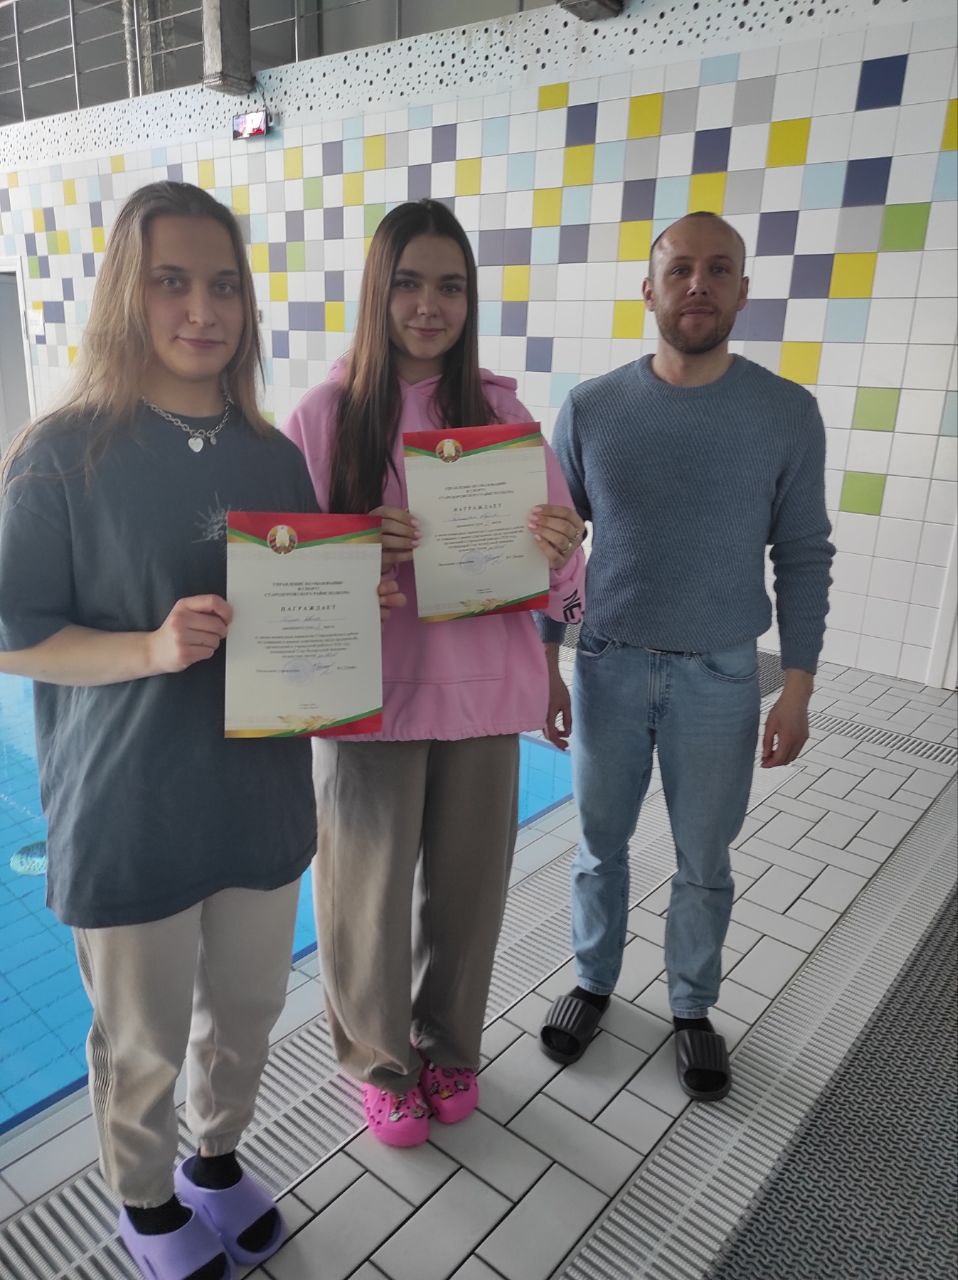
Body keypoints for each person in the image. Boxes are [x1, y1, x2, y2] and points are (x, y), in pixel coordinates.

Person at [0, 182, 400, 1280]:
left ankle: (216, 1161)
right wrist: (147, 648)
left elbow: (292, 612)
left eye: (223, 285)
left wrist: (346, 606)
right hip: (129, 804)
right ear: (126, 295)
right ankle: (144, 1198)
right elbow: (14, 633)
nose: (202, 309)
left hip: (258, 798)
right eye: (171, 282)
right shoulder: (61, 454)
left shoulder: (271, 455)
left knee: (249, 1008)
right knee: (141, 1037)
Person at [283, 199, 586, 1147]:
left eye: (450, 287)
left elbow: (562, 577)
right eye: (409, 283)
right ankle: (380, 1062)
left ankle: (450, 1046)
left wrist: (564, 547)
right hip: (369, 702)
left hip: (484, 697)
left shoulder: (501, 415)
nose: (429, 306)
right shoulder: (324, 418)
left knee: (469, 895)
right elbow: (280, 587)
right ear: (378, 291)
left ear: (470, 300)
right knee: (364, 902)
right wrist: (355, 550)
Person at [538, 210, 834, 1102]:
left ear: (743, 291)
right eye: (680, 269)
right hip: (609, 664)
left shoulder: (785, 413)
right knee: (599, 847)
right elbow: (553, 546)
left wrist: (797, 688)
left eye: (718, 269)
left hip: (720, 675)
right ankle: (593, 981)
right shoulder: (593, 408)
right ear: (650, 289)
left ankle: (692, 1006)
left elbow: (804, 554)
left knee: (706, 857)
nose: (698, 284)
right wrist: (544, 662)